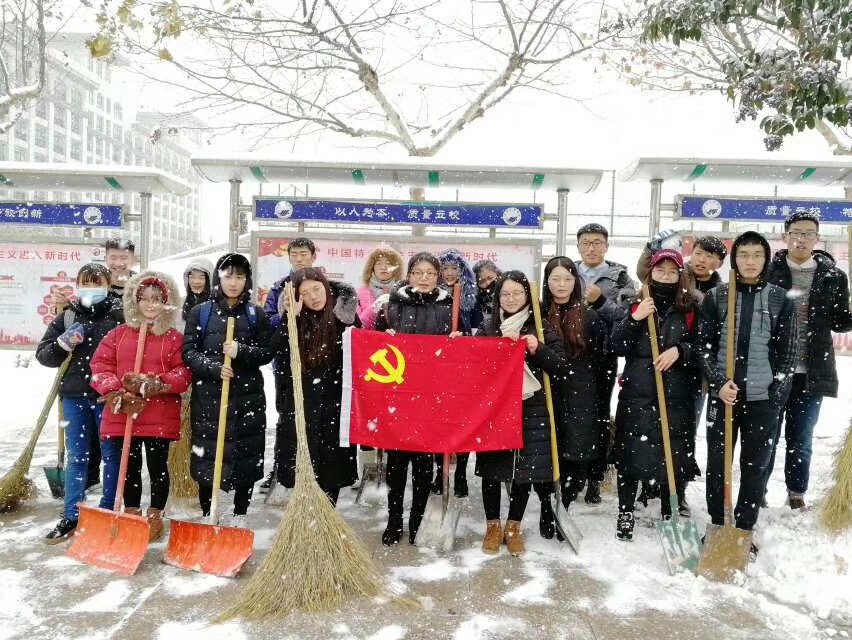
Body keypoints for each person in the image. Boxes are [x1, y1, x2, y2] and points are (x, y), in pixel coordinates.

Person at [696, 232, 797, 553]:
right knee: (718, 464)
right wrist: (717, 383)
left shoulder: (780, 299)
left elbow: (788, 352)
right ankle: (718, 523)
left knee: (755, 465)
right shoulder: (717, 296)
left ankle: (743, 528)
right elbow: (704, 346)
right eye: (743, 255)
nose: (750, 261)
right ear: (734, 259)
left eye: (757, 255)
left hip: (762, 400)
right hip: (723, 397)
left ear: (766, 259)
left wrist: (775, 394)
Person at [90, 272, 191, 542]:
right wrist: (115, 392)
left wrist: (157, 382)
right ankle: (132, 512)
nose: (150, 304)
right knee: (130, 466)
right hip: (126, 414)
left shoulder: (173, 338)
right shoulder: (118, 335)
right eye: (144, 299)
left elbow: (183, 373)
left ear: (166, 302)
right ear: (134, 302)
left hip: (159, 415)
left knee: (158, 467)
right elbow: (99, 366)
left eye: (157, 299)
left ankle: (155, 514)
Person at [610, 249, 701, 541]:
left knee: (671, 455)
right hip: (637, 396)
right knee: (630, 455)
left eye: (672, 272)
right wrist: (635, 318)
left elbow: (704, 347)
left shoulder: (690, 309)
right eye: (660, 271)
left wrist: (681, 351)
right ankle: (625, 510)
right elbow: (616, 345)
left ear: (680, 276)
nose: (666, 276)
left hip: (676, 398)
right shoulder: (634, 304)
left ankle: (668, 511)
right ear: (650, 274)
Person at [476, 271, 567, 555]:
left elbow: (560, 366)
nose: (511, 298)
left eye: (517, 293)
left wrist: (537, 348)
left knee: (523, 471)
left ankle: (513, 526)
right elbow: (473, 365)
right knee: (492, 468)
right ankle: (492, 525)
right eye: (505, 294)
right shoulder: (488, 327)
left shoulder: (540, 326)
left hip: (532, 408)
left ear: (528, 296)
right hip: (495, 409)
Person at [765, 211, 852, 509]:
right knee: (766, 435)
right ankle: (757, 492)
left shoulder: (833, 276)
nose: (801, 239)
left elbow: (840, 322)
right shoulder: (769, 271)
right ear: (785, 236)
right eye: (796, 233)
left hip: (812, 371)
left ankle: (796, 494)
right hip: (772, 370)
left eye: (808, 233)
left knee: (801, 438)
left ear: (817, 238)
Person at [183, 253, 273, 527]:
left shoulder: (255, 314)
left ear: (247, 280)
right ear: (218, 279)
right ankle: (207, 512)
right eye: (228, 276)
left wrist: (241, 351)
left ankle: (240, 514)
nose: (233, 283)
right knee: (207, 457)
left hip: (247, 399)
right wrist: (213, 368)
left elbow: (266, 352)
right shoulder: (201, 312)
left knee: (246, 456)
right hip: (209, 398)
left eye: (240, 276)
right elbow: (188, 352)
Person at [37, 263, 124, 543]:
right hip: (74, 397)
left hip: (108, 397)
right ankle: (72, 514)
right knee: (77, 457)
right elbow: (44, 355)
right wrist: (62, 344)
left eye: (97, 283)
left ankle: (108, 510)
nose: (91, 288)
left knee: (111, 455)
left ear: (108, 285)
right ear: (78, 285)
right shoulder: (68, 315)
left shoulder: (120, 315)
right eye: (86, 283)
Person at [375, 252, 457, 545]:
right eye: (418, 273)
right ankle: (394, 518)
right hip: (398, 394)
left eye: (430, 273)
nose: (424, 278)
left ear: (438, 277)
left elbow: (460, 348)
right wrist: (383, 335)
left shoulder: (449, 306)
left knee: (424, 466)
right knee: (396, 465)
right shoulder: (392, 304)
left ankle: (417, 519)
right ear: (409, 275)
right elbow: (374, 344)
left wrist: (457, 341)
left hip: (431, 397)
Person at [270, 268, 359, 505]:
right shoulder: (296, 320)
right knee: (303, 466)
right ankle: (307, 515)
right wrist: (291, 318)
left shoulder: (344, 319)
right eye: (305, 293)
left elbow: (364, 352)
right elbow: (275, 349)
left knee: (332, 471)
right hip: (302, 405)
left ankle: (327, 515)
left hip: (335, 405)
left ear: (326, 288)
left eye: (317, 289)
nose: (313, 296)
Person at [542, 257, 608, 530]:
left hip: (580, 392)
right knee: (546, 452)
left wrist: (600, 399)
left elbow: (602, 361)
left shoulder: (588, 317)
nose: (561, 285)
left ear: (576, 283)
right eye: (555, 279)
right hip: (546, 392)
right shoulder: (538, 313)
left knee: (576, 453)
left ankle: (565, 505)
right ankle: (547, 507)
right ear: (546, 281)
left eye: (567, 279)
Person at [575, 223, 637, 505]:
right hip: (569, 356)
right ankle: (572, 473)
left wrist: (600, 301)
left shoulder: (621, 278)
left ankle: (595, 477)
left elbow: (626, 317)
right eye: (586, 243)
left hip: (602, 356)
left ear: (606, 246)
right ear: (578, 246)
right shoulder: (566, 271)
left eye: (597, 242)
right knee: (571, 416)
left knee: (599, 416)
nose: (591, 248)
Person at [261, 237, 318, 492]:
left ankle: (311, 468)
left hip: (315, 363)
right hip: (285, 361)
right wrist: (286, 315)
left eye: (304, 253)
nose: (299, 258)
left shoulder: (321, 285)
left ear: (313, 256)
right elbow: (267, 322)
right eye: (294, 254)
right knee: (286, 415)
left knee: (314, 416)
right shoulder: (279, 287)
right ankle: (280, 467)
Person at [434, 248, 478, 498]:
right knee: (437, 422)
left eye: (455, 268)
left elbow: (478, 328)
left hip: (464, 367)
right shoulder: (432, 295)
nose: (450, 273)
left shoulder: (472, 296)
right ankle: (439, 471)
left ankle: (460, 472)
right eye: (445, 268)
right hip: (437, 366)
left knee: (462, 422)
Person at [637, 232, 727, 299]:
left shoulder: (723, 292)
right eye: (698, 253)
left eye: (709, 256)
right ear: (691, 254)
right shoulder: (676, 275)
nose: (701, 260)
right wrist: (649, 248)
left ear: (719, 263)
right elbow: (645, 274)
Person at [355, 247, 404, 329]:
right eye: (378, 263)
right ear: (372, 268)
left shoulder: (402, 292)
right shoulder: (359, 293)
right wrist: (376, 306)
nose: (383, 267)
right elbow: (359, 326)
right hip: (369, 337)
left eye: (388, 263)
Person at [471, 259, 501, 331]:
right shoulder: (474, 304)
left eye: (490, 278)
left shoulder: (509, 296)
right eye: (482, 281)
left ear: (497, 274)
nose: (488, 283)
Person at [182, 257, 214, 322]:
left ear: (210, 280)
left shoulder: (219, 306)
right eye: (192, 277)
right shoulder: (180, 304)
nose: (196, 282)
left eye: (201, 278)